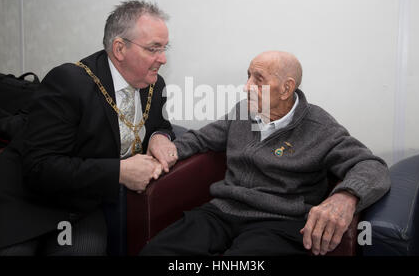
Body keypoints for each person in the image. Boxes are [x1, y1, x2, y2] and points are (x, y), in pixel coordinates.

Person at [142, 50, 391, 256]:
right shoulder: (242, 112)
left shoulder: (319, 127)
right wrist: (164, 144)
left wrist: (345, 197)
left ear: (286, 89)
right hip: (222, 211)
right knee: (157, 252)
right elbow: (200, 139)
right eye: (248, 76)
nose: (246, 87)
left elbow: (371, 166)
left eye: (258, 79)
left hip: (279, 223)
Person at [0, 0, 178, 255]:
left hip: (82, 206)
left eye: (164, 48)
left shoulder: (154, 85)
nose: (163, 58)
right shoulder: (69, 81)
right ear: (120, 48)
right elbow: (39, 168)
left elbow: (160, 123)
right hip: (28, 201)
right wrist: (118, 173)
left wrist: (160, 136)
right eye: (154, 48)